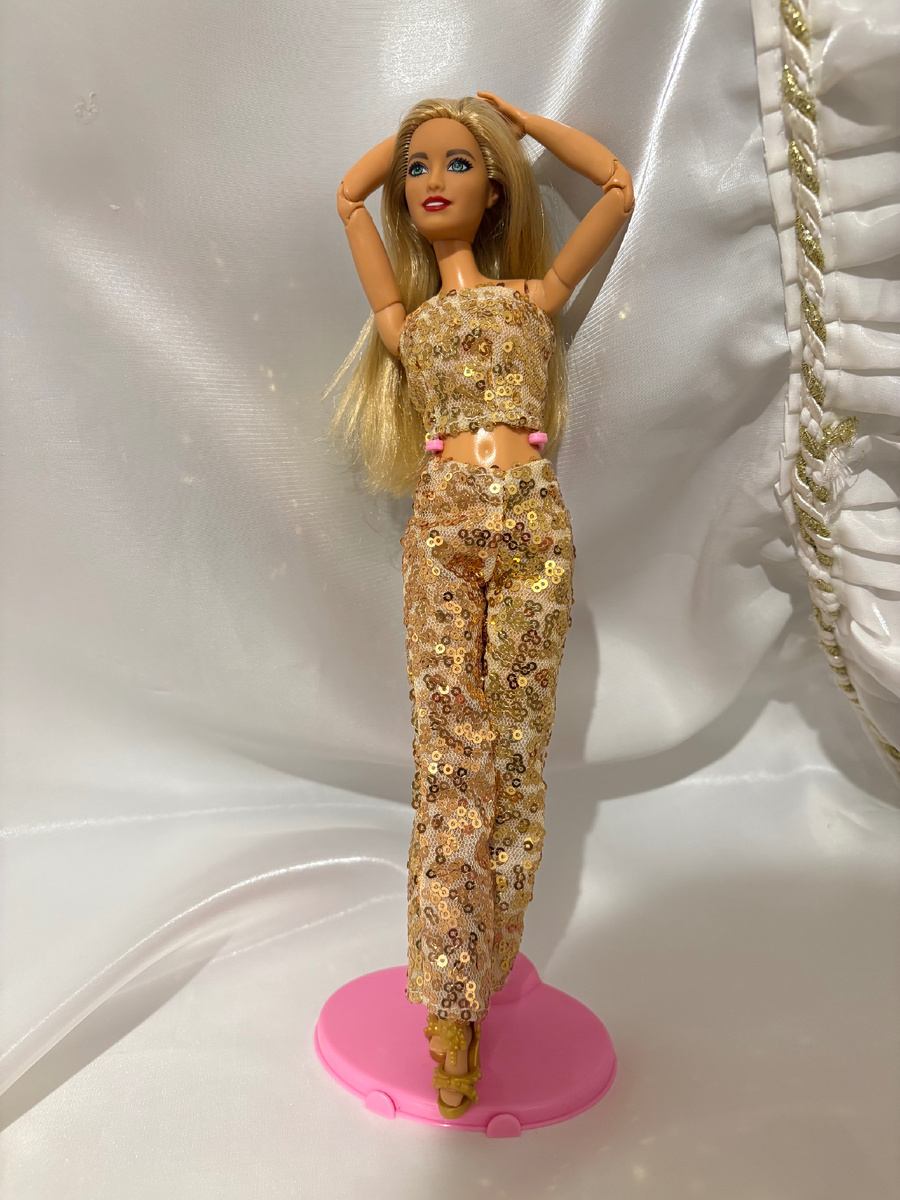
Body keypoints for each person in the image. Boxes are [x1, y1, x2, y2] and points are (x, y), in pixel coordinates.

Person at [327, 92, 633, 1120]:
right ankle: (448, 1004)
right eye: (419, 168)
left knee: (516, 750)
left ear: (495, 188)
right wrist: (421, 130)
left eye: (458, 165)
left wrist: (518, 124)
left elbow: (618, 189)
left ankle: (484, 960)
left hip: (535, 526)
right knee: (451, 757)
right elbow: (346, 198)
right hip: (445, 526)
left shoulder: (534, 296)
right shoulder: (405, 322)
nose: (431, 182)